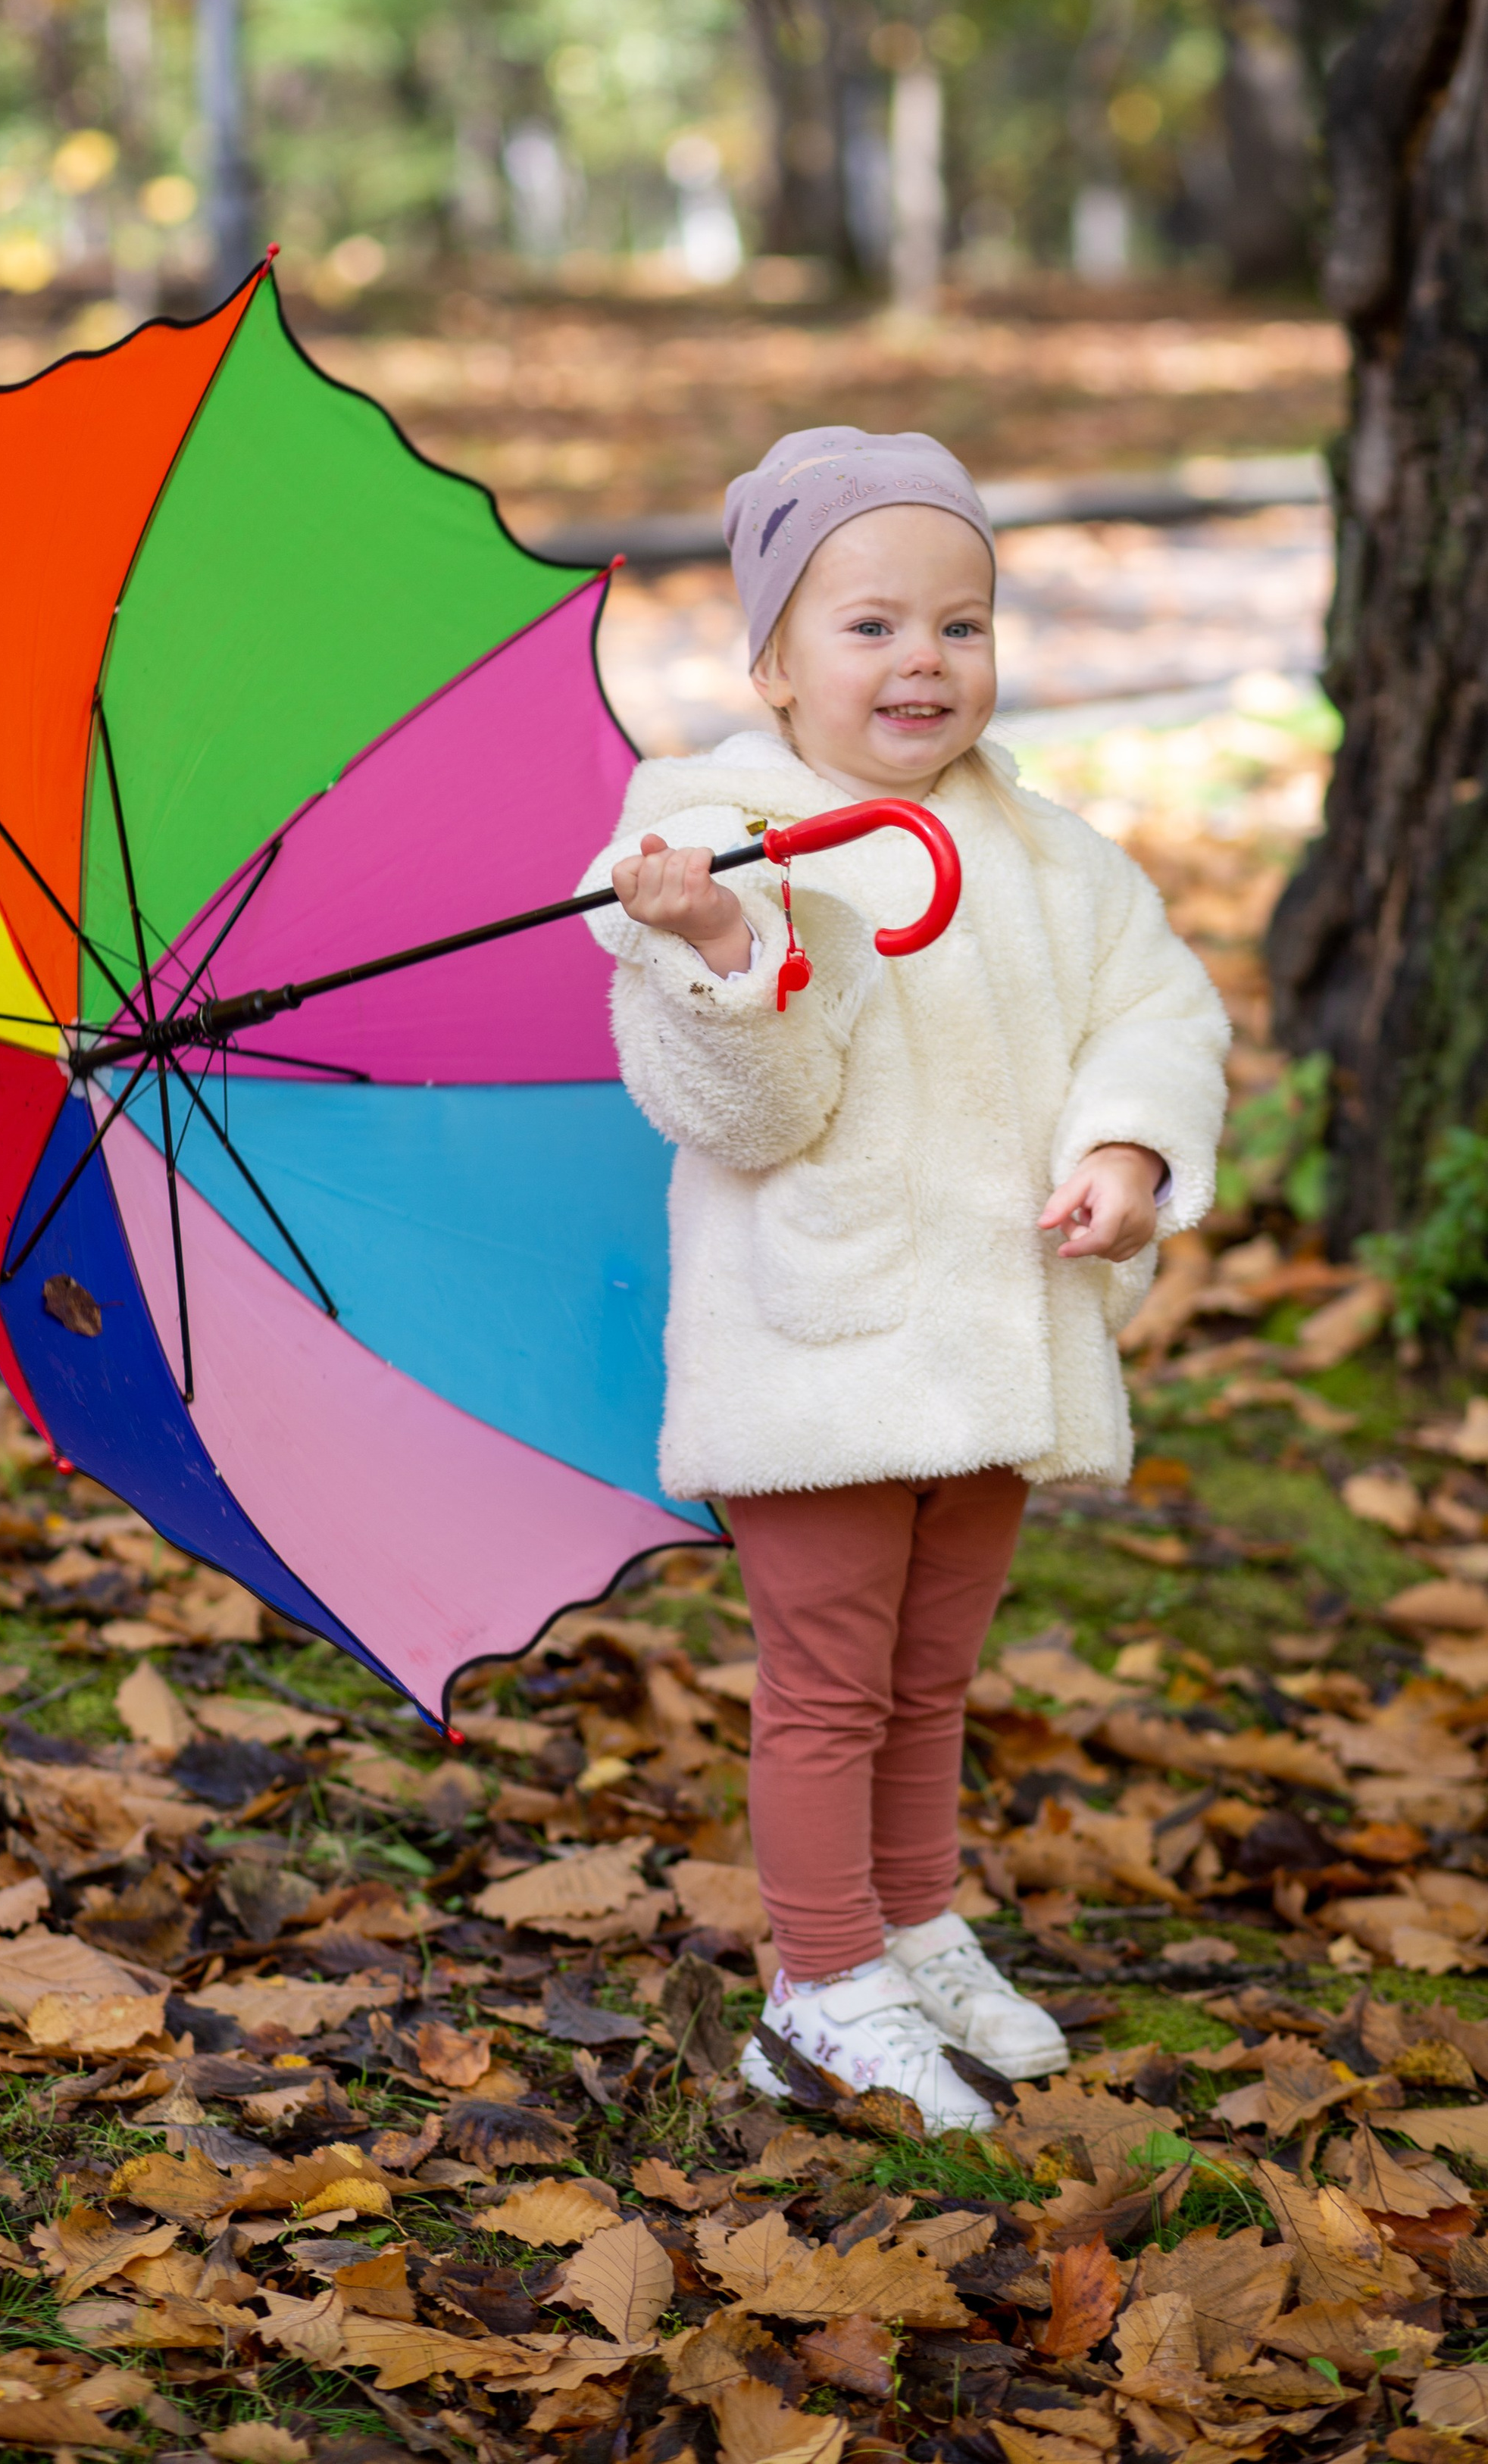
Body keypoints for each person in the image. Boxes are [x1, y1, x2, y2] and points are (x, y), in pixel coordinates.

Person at [581, 429, 1229, 2132]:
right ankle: (812, 1984)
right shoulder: (713, 841)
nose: (922, 662)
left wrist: (1126, 1151)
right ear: (771, 664)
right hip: (823, 1343)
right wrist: (729, 956)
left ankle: (911, 1922)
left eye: (960, 624)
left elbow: (1151, 1010)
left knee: (930, 1674)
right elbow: (746, 1111)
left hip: (990, 1342)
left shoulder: (1043, 849)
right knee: (826, 1679)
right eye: (867, 628)